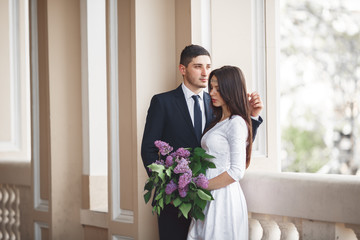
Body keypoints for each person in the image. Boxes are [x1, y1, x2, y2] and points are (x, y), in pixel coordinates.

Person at [141, 45, 263, 240]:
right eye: (198, 66)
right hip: (175, 202)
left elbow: (234, 147)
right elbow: (148, 149)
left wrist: (252, 119)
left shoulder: (216, 102)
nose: (205, 72)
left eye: (208, 66)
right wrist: (169, 188)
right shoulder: (162, 102)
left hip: (211, 199)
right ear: (183, 69)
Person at [187, 66, 253, 240]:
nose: (212, 92)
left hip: (223, 198)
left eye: (218, 88)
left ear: (231, 89)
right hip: (209, 195)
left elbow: (237, 171)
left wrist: (200, 187)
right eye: (211, 87)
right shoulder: (218, 121)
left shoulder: (236, 123)